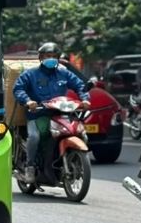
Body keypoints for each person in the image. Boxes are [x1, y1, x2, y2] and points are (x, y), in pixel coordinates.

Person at [12, 41, 90, 185]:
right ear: (41, 57)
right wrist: (28, 101)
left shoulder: (64, 73)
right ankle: (30, 166)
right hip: (38, 114)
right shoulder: (31, 74)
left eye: (55, 56)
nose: (52, 58)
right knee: (35, 137)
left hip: (59, 114)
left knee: (80, 132)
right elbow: (18, 89)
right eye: (48, 55)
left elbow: (80, 86)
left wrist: (85, 99)